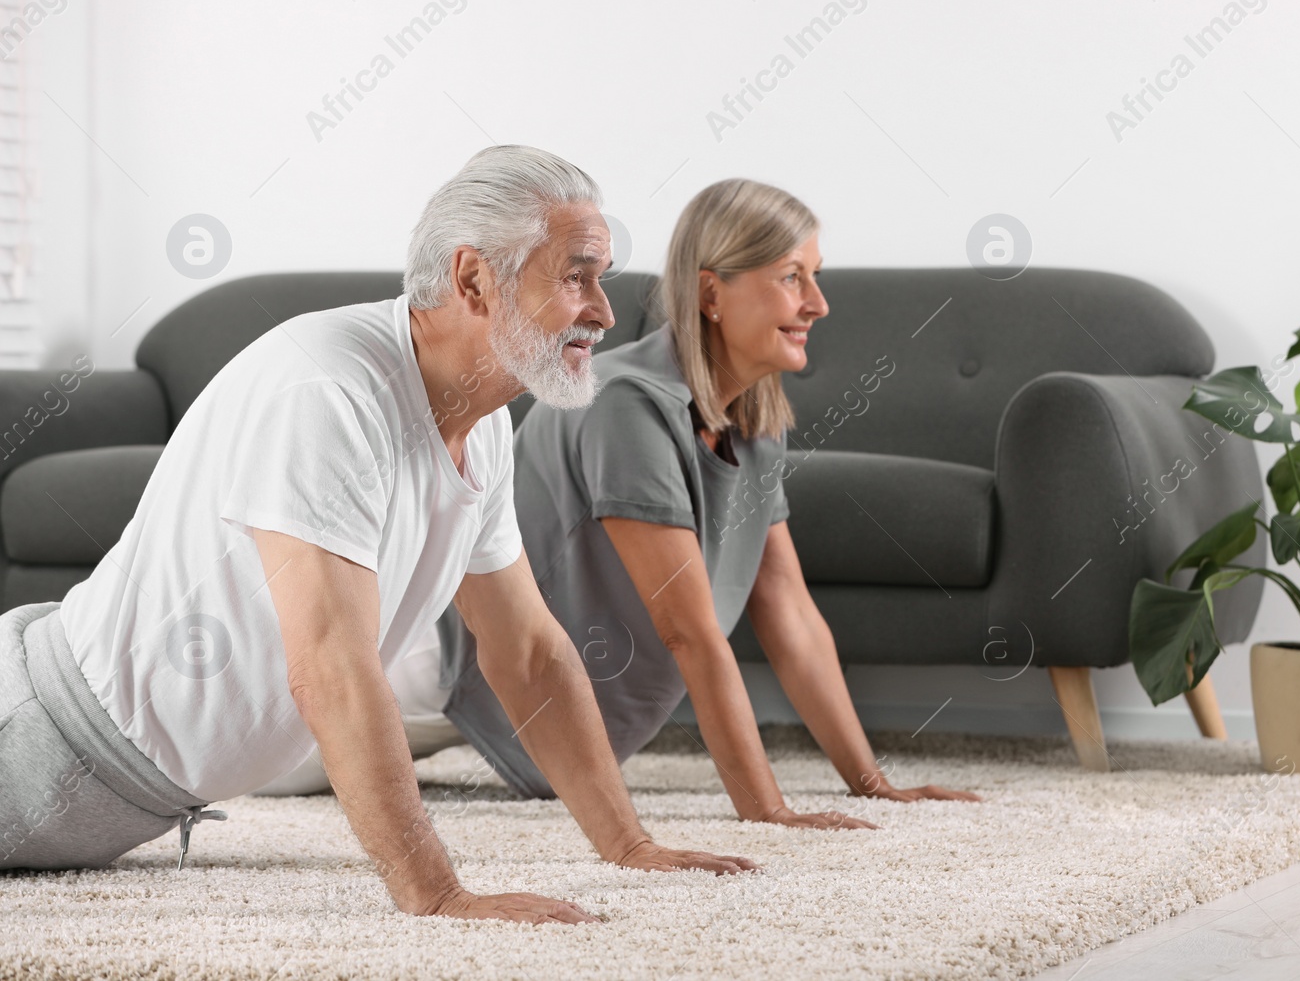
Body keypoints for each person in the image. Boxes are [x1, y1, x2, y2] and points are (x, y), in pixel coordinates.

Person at [0, 146, 756, 925]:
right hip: (39, 733)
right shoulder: (328, 391)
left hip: (118, 789)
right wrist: (436, 893)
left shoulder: (483, 420)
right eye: (576, 275)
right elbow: (330, 665)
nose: (603, 308)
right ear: (473, 279)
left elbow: (527, 651)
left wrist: (628, 844)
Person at [431, 178, 980, 825]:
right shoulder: (624, 404)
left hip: (525, 711)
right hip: (430, 679)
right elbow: (687, 630)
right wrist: (768, 811)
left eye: (815, 276)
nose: (819, 304)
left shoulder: (753, 424)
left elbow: (789, 614)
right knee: (290, 744)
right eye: (791, 278)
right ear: (712, 293)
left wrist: (871, 782)